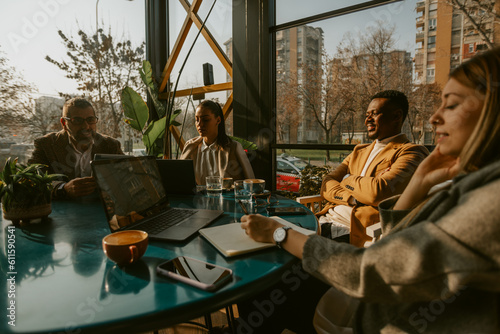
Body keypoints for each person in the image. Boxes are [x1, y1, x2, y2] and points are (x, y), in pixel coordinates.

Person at [240, 47, 500, 333]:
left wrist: (281, 232)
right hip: (333, 231)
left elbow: (377, 201)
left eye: (450, 105)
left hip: (357, 251)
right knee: (264, 270)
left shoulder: (423, 159)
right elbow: (329, 184)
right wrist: (419, 180)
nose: (434, 118)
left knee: (268, 287)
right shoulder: (365, 150)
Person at [319, 90, 429, 246]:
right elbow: (327, 183)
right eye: (366, 115)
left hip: (354, 231)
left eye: (374, 114)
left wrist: (346, 179)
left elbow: (378, 192)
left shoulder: (411, 152)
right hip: (324, 219)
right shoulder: (359, 150)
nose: (367, 120)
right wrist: (352, 197)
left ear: (396, 116)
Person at [28, 97, 123, 199]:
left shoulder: (110, 145)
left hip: (101, 209)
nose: (86, 126)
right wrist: (62, 188)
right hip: (61, 211)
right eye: (77, 120)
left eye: (90, 120)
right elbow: (30, 180)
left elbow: (127, 176)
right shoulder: (45, 145)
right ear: (64, 123)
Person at [180, 100, 255, 184]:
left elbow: (251, 182)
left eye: (205, 120)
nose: (200, 124)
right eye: (197, 120)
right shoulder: (191, 147)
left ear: (218, 120)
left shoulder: (234, 147)